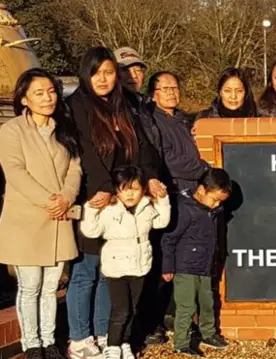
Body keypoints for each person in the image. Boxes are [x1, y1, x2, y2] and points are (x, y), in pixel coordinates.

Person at [66, 47, 166, 358]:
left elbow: (143, 148)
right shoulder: (78, 105)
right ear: (86, 74)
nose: (104, 79)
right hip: (97, 197)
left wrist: (149, 176)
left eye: (110, 72)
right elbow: (86, 152)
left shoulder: (123, 105)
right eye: (97, 73)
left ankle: (102, 332)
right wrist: (105, 188)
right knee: (87, 269)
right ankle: (79, 337)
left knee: (112, 271)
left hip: (127, 198)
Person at [0, 68, 82, 359]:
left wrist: (66, 197)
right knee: (30, 285)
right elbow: (15, 172)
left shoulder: (64, 128)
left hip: (59, 219)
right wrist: (50, 200)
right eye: (39, 93)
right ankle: (31, 344)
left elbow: (75, 168)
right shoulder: (11, 131)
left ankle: (49, 341)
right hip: (26, 220)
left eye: (50, 91)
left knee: (51, 286)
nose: (47, 98)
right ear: (24, 98)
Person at [134, 71, 210, 346]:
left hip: (190, 195)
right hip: (172, 194)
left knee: (184, 261)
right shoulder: (152, 121)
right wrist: (206, 169)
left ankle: (177, 317)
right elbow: (170, 160)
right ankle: (151, 322)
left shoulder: (182, 119)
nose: (170, 92)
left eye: (174, 87)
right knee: (164, 263)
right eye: (164, 88)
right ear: (153, 93)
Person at [80, 166, 171, 359]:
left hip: (140, 265)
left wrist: (162, 200)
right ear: (116, 190)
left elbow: (161, 222)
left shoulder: (147, 207)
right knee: (121, 309)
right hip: (117, 266)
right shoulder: (110, 210)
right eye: (124, 188)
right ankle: (113, 345)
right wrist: (91, 208)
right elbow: (91, 231)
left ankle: (125, 342)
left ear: (143, 189)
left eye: (135, 188)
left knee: (133, 308)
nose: (130, 193)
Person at [161, 168, 232, 355]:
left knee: (207, 301)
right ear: (201, 190)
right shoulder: (184, 209)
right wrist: (168, 266)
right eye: (214, 199)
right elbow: (169, 239)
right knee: (186, 306)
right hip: (185, 267)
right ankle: (181, 342)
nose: (217, 204)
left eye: (220, 201)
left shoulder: (214, 211)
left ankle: (208, 334)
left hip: (206, 266)